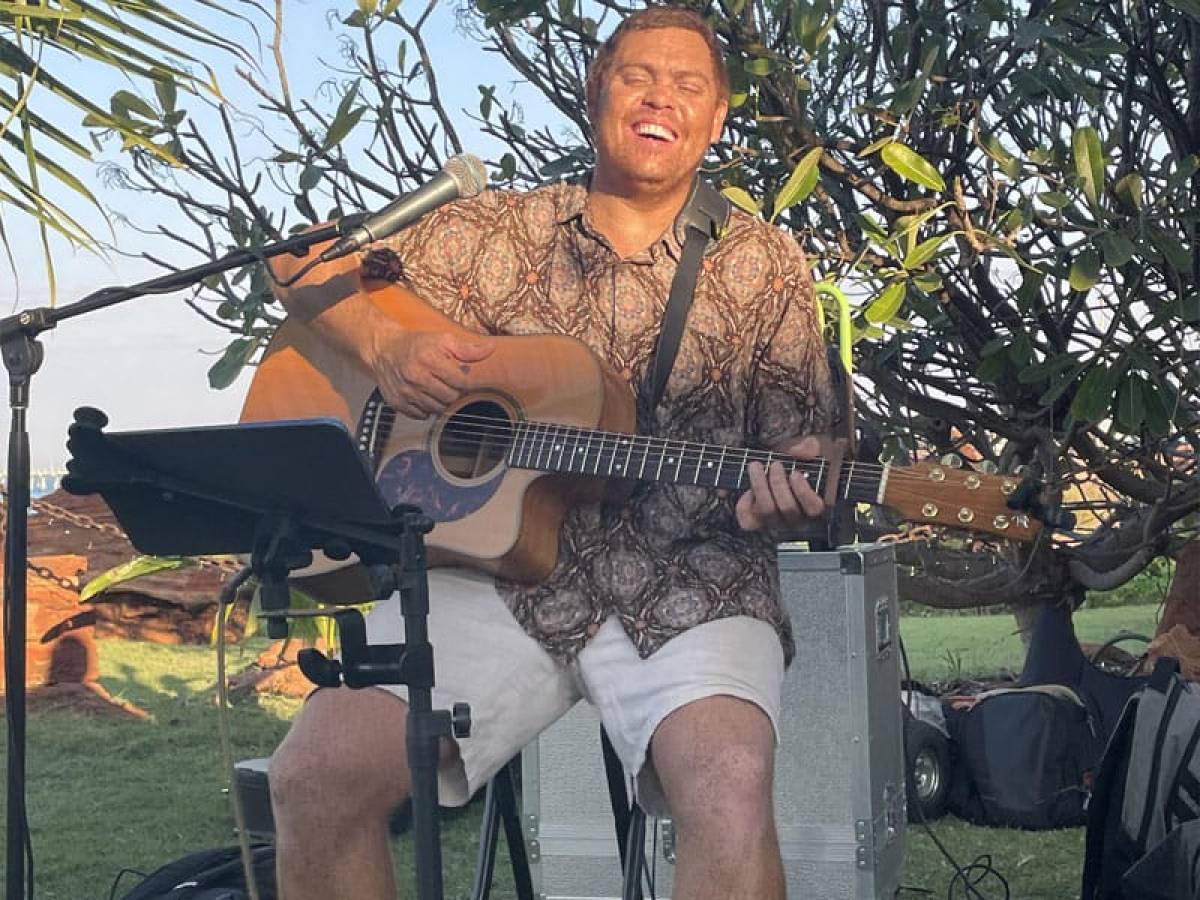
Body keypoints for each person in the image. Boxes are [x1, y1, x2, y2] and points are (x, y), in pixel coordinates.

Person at [265, 8, 835, 899]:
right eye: (638, 75)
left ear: (716, 121)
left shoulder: (764, 264)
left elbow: (809, 441)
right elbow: (299, 266)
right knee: (313, 779)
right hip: (489, 574)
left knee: (730, 788)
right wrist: (387, 350)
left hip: (693, 579)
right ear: (595, 92)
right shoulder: (490, 231)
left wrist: (801, 483)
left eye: (689, 86)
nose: (660, 99)